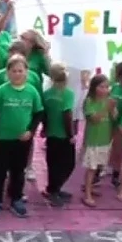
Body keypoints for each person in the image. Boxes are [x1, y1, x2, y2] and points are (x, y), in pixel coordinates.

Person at [0, 55, 43, 219]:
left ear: (26, 72)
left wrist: (31, 131)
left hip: (22, 140)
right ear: (8, 73)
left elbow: (38, 113)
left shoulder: (32, 91)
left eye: (20, 71)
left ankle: (16, 199)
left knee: (18, 171)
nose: (17, 74)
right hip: (2, 139)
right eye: (14, 71)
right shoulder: (1, 91)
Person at [41, 63, 76, 206]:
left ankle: (53, 188)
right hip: (63, 135)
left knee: (53, 163)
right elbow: (67, 115)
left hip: (51, 134)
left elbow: (44, 114)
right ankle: (54, 190)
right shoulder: (68, 94)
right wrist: (71, 134)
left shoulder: (47, 94)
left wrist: (45, 127)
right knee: (68, 164)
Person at [81, 74, 115, 207]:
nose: (105, 90)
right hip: (93, 140)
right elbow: (94, 119)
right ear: (94, 87)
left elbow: (114, 117)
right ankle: (87, 194)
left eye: (107, 87)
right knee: (91, 168)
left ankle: (90, 188)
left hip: (104, 139)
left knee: (99, 167)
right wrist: (106, 108)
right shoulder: (90, 101)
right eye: (102, 86)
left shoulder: (108, 100)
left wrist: (112, 109)